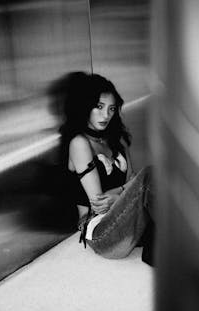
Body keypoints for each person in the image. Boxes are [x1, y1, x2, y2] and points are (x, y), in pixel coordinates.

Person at [52, 72, 154, 264]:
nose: (106, 115)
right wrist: (125, 191)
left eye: (111, 109)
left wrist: (119, 193)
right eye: (99, 107)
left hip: (127, 222)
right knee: (150, 174)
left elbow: (132, 180)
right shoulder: (79, 143)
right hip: (100, 232)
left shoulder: (116, 140)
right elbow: (99, 203)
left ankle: (160, 246)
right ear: (85, 106)